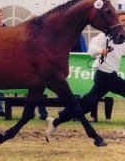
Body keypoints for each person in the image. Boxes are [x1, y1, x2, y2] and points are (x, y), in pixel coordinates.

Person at [45, 10, 125, 140]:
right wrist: (100, 51)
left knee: (86, 105)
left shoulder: (122, 37)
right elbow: (91, 48)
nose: (123, 24)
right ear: (116, 21)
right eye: (122, 21)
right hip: (105, 75)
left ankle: (55, 122)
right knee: (87, 103)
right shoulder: (105, 35)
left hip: (107, 77)